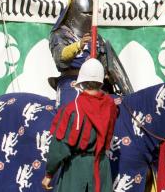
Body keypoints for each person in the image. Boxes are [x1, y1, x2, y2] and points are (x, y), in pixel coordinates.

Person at [49, 0, 132, 107]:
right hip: (72, 82)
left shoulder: (96, 38)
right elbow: (60, 58)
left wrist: (109, 75)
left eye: (91, 14)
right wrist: (78, 45)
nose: (88, 17)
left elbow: (107, 64)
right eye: (85, 13)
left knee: (116, 107)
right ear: (73, 12)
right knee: (72, 111)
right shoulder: (59, 34)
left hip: (96, 85)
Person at [42, 58, 118, 192]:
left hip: (76, 170)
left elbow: (59, 148)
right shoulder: (110, 107)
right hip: (101, 169)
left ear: (81, 82)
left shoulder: (71, 110)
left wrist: (49, 173)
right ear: (101, 82)